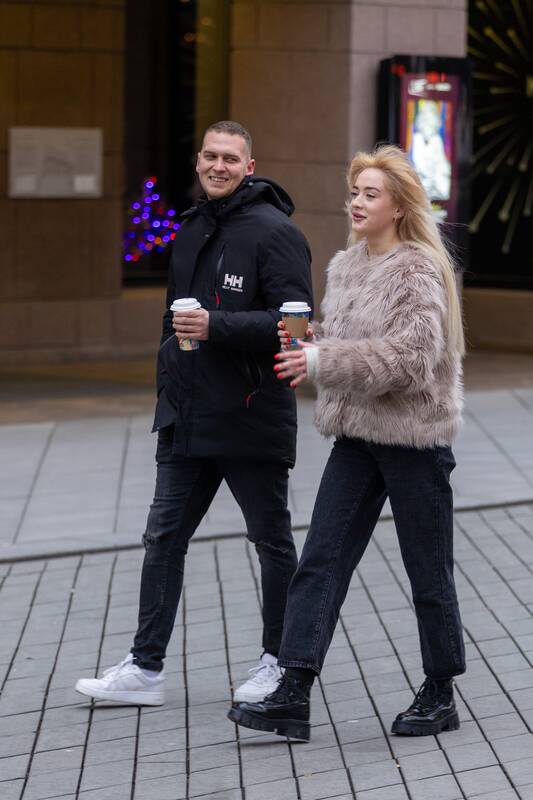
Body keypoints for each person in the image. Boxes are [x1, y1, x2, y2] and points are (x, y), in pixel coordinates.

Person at [228, 144, 466, 742]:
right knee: (321, 560)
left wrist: (321, 358)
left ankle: (440, 691)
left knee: (427, 572)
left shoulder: (417, 270)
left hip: (413, 441)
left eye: (370, 194)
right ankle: (293, 689)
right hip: (356, 437)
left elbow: (409, 360)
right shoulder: (347, 265)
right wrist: (311, 340)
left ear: (399, 206)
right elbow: (346, 342)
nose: (356, 202)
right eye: (354, 192)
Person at [75, 121, 313, 706]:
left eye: (230, 158)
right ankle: (144, 669)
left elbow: (296, 327)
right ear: (198, 160)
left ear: (249, 167)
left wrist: (215, 326)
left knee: (271, 541)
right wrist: (170, 377)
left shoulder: (276, 232)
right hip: (187, 415)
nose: (218, 166)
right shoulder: (190, 228)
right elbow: (173, 321)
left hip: (251, 415)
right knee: (163, 537)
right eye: (210, 155)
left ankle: (280, 663)